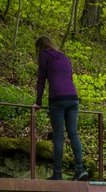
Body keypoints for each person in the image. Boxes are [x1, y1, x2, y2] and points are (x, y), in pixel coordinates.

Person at [34, 36, 88, 181]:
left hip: (57, 98)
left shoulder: (44, 55)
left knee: (58, 136)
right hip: (73, 97)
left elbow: (41, 79)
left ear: (39, 47)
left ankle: (57, 174)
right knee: (73, 134)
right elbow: (69, 77)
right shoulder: (64, 57)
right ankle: (80, 169)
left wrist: (38, 102)